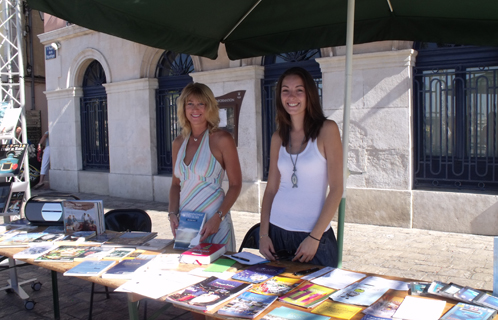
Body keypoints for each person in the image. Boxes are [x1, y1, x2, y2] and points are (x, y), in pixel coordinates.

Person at [259, 67, 344, 267]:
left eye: (299, 90)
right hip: (276, 233)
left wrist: (314, 238)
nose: (292, 96)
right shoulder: (277, 137)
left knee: (318, 296)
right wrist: (263, 234)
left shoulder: (327, 130)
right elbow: (271, 189)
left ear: (309, 95)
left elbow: (337, 188)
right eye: (285, 90)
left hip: (313, 238)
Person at [168, 82, 242, 253]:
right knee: (187, 272)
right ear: (183, 108)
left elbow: (236, 184)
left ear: (209, 107)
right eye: (190, 104)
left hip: (215, 223)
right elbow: (175, 184)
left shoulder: (222, 139)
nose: (195, 109)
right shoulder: (178, 143)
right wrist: (172, 213)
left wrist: (219, 217)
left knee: (217, 276)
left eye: (201, 103)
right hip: (187, 226)